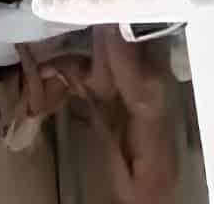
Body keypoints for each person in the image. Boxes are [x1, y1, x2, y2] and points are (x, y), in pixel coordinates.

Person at [9, 24, 179, 204]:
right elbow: (108, 137)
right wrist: (89, 100)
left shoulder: (168, 185)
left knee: (139, 27)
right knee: (110, 28)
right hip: (141, 103)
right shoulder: (130, 193)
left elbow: (155, 138)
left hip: (161, 97)